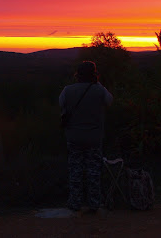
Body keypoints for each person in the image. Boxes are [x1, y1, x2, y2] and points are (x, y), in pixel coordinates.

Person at [59, 61, 113, 213]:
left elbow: (61, 105)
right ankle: (94, 203)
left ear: (78, 74)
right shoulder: (99, 90)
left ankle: (75, 202)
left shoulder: (67, 91)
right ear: (94, 75)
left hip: (74, 137)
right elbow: (110, 101)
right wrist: (98, 83)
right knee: (93, 170)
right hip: (94, 137)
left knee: (75, 170)